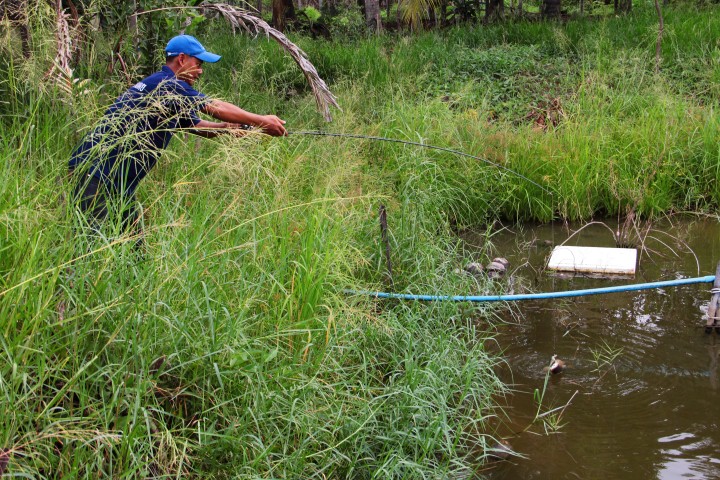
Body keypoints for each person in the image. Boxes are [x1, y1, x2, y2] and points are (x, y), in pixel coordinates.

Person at [69, 34, 287, 243]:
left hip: (118, 180)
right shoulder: (168, 85)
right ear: (182, 59)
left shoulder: (163, 88)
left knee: (133, 247)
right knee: (90, 248)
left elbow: (195, 125)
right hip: (96, 175)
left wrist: (228, 128)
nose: (201, 71)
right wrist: (262, 120)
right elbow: (215, 106)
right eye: (198, 63)